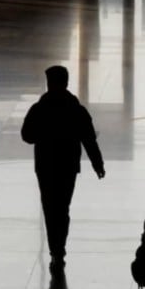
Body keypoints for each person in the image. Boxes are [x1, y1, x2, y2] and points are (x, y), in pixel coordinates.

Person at [21, 65, 105, 273]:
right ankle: (59, 250)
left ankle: (56, 252)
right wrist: (97, 164)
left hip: (45, 167)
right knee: (62, 208)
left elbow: (27, 136)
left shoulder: (39, 108)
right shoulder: (76, 109)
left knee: (50, 209)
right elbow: (89, 139)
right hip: (67, 167)